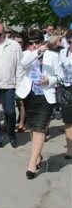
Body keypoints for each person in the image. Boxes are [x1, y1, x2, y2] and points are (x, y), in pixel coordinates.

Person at [16, 29, 60, 179]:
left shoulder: (53, 56)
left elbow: (59, 76)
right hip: (30, 95)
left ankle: (32, 163)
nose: (34, 45)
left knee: (40, 128)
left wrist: (50, 80)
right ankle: (37, 155)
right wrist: (37, 52)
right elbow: (23, 64)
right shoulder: (27, 55)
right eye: (31, 43)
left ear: (42, 41)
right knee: (33, 128)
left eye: (37, 42)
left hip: (46, 97)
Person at [57, 30, 72, 159]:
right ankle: (70, 148)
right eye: (69, 41)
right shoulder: (62, 53)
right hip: (67, 89)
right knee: (68, 120)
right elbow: (59, 70)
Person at [13, 30, 28, 133]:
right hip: (10, 80)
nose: (18, 44)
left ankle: (22, 122)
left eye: (20, 42)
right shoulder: (9, 51)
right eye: (16, 42)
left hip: (22, 80)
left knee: (21, 102)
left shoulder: (26, 53)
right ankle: (8, 122)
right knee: (9, 104)